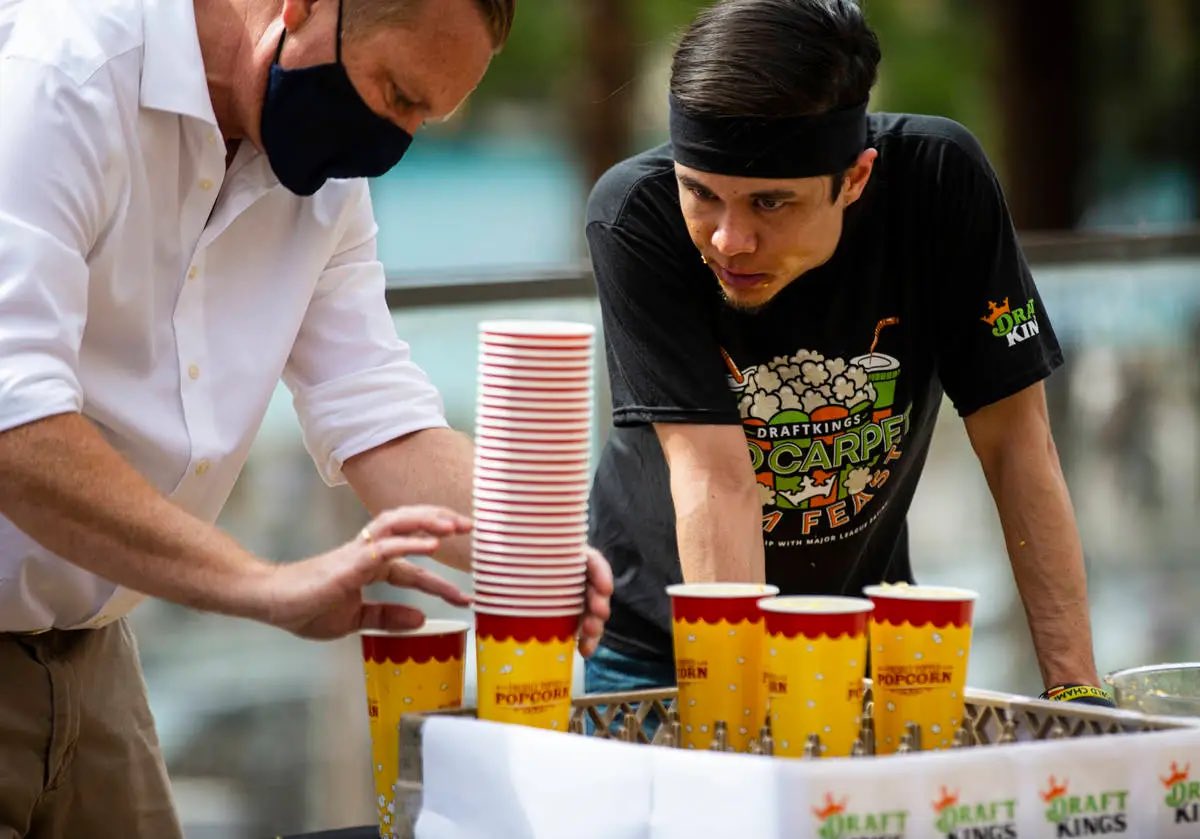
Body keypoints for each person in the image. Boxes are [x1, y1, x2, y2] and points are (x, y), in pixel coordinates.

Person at [0, 1, 611, 836]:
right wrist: (266, 585)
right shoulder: (60, 74)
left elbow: (376, 407)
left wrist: (534, 549)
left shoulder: (322, 173)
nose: (390, 143)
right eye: (395, 93)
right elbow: (13, 424)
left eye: (422, 118)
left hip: (92, 650)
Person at [584, 0, 1112, 709]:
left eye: (771, 204)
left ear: (856, 179)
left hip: (862, 642)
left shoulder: (939, 183)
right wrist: (740, 737)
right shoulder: (636, 215)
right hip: (663, 654)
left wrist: (1077, 693)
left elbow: (1017, 444)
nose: (727, 240)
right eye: (702, 194)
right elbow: (716, 480)